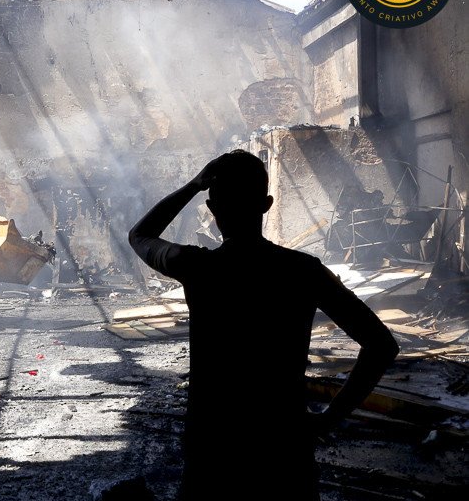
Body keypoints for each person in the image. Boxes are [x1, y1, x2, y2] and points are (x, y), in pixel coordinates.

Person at [128, 150, 399, 500]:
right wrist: (327, 420)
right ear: (267, 204)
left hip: (214, 448)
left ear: (212, 212)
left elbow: (140, 234)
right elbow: (382, 345)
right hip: (283, 447)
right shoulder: (302, 270)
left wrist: (194, 186)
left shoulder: (198, 267)